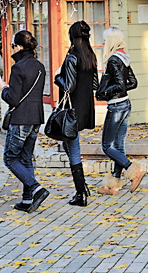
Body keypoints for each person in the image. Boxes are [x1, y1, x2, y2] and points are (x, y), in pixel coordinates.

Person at [0, 30, 49, 213]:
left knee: (10, 158)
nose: (13, 49)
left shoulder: (18, 67)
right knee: (26, 157)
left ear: (19, 47)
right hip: (36, 118)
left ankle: (36, 189)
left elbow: (13, 98)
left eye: (13, 46)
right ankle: (27, 200)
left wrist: (3, 88)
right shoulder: (40, 66)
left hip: (21, 119)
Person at [96, 27, 144, 196]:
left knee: (106, 146)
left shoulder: (113, 60)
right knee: (118, 146)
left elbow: (121, 85)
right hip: (125, 104)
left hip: (116, 106)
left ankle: (132, 169)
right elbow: (133, 82)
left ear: (112, 41)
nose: (103, 42)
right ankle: (113, 186)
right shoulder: (124, 58)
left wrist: (106, 93)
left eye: (105, 39)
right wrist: (117, 90)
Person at [55, 20, 98, 206]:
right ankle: (82, 188)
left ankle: (81, 193)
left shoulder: (73, 57)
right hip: (85, 108)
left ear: (72, 37)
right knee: (69, 145)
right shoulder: (91, 56)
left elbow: (69, 87)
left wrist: (58, 78)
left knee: (72, 149)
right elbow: (95, 84)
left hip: (71, 110)